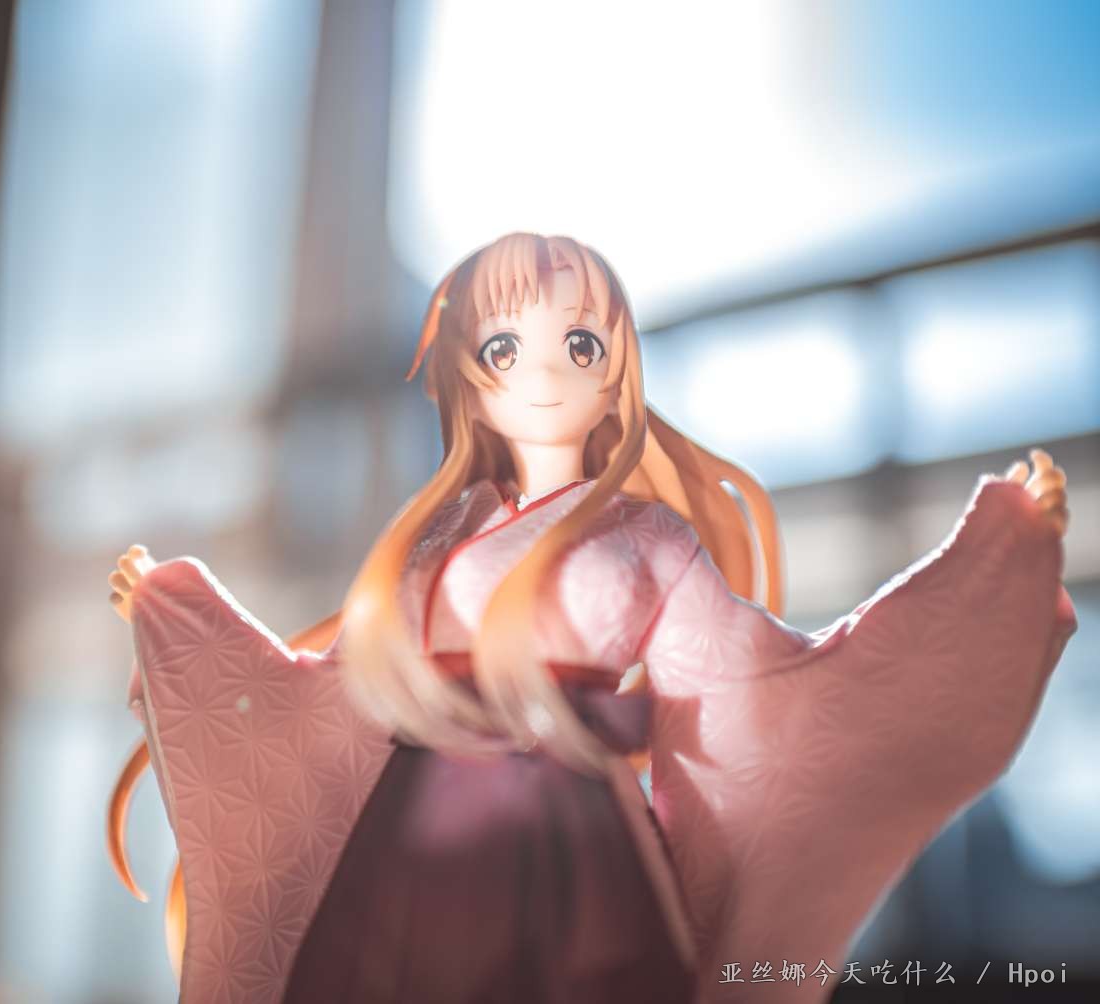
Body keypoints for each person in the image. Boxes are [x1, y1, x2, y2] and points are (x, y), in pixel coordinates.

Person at [106, 233, 1077, 1004]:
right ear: (470, 375)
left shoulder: (645, 538)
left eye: (579, 345)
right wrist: (177, 618)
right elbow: (337, 689)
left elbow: (761, 689)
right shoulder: (435, 539)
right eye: (505, 347)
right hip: (414, 836)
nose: (544, 372)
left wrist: (993, 555)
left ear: (614, 373)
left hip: (572, 833)